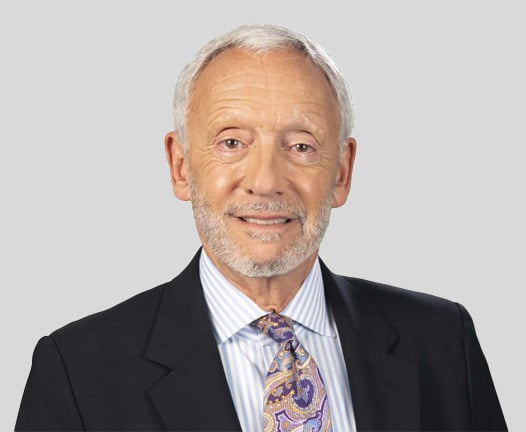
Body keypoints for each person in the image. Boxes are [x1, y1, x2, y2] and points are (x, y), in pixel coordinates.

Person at [16, 24, 506, 432]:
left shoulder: (443, 342)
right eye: (232, 143)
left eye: (301, 146)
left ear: (342, 172)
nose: (266, 181)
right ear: (180, 167)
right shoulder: (77, 371)